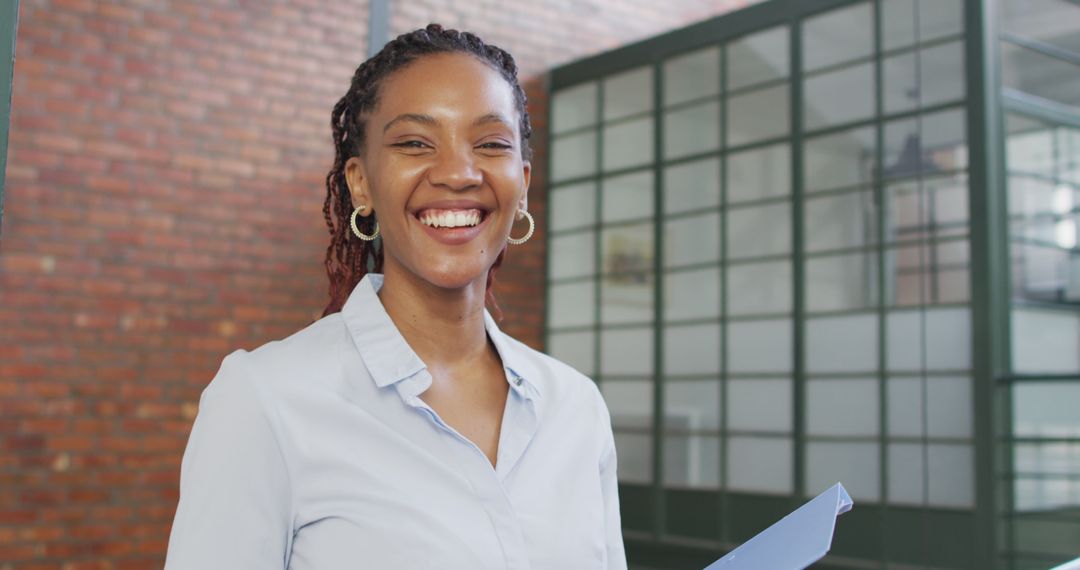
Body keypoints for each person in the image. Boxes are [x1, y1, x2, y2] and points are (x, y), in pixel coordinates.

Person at [164, 24, 626, 569]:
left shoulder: (576, 408)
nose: (458, 172)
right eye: (414, 143)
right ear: (360, 183)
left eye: (491, 143)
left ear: (521, 182)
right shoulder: (266, 400)